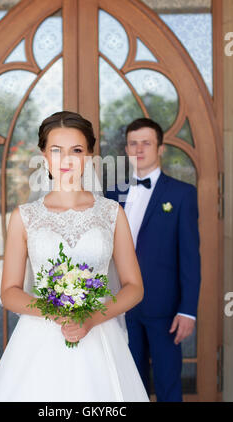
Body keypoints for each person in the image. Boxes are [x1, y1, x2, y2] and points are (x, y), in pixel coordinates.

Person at [0, 111, 149, 402]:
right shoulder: (24, 217)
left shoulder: (112, 213)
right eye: (56, 151)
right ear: (43, 156)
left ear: (89, 156)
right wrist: (57, 313)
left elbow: (134, 287)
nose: (66, 160)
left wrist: (91, 319)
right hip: (39, 338)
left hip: (100, 335)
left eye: (76, 150)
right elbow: (9, 293)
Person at [105, 118, 201, 402]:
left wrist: (188, 310)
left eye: (146, 143)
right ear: (126, 148)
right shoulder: (112, 194)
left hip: (165, 309)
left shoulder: (182, 194)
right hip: (120, 306)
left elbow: (190, 256)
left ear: (160, 148)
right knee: (128, 384)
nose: (139, 149)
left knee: (168, 382)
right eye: (133, 143)